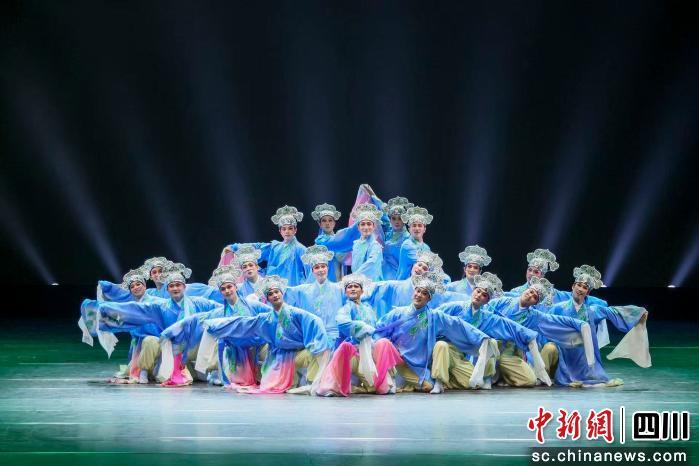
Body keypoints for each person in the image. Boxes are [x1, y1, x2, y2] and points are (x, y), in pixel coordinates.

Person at [196, 275, 332, 394]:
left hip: (296, 352)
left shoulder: (297, 313)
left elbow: (315, 322)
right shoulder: (267, 318)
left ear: (282, 293)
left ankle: (313, 382)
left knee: (317, 352)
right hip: (277, 355)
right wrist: (214, 325)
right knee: (269, 384)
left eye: (277, 292)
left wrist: (316, 343)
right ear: (267, 298)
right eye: (271, 294)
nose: (275, 295)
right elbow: (243, 323)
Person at [97, 264, 222, 384]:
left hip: (191, 346)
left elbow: (220, 310)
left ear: (184, 287)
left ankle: (214, 372)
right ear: (167, 289)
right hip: (171, 347)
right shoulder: (161, 306)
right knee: (150, 341)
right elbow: (137, 309)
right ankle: (145, 372)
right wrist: (106, 309)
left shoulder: (198, 303)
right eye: (171, 286)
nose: (175, 288)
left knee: (216, 336)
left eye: (178, 285)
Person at [374, 273, 495, 392]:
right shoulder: (397, 313)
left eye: (424, 293)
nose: (419, 295)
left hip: (419, 366)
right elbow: (379, 329)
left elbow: (457, 324)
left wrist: (481, 337)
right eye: (418, 291)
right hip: (398, 360)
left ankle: (431, 380)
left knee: (430, 386)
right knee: (382, 343)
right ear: (413, 292)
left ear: (429, 298)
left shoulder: (434, 316)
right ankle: (390, 379)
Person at [435, 272, 551, 390]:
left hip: (470, 355)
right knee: (442, 345)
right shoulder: (456, 307)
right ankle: (439, 381)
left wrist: (529, 336)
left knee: (474, 383)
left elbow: (507, 325)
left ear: (487, 301)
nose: (479, 295)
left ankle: (479, 378)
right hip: (448, 348)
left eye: (484, 295)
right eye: (478, 291)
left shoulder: (485, 317)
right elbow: (434, 317)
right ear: (473, 291)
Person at [158, 265, 268, 387]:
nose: (227, 291)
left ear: (236, 287)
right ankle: (214, 372)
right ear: (220, 292)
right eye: (223, 289)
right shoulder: (220, 312)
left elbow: (272, 315)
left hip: (255, 345)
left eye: (229, 287)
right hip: (233, 348)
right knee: (216, 338)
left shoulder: (253, 305)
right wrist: (171, 330)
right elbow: (196, 319)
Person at [549, 265, 650, 386]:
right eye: (579, 285)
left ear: (588, 292)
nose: (580, 289)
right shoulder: (558, 308)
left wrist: (638, 313)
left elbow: (613, 312)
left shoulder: (593, 310)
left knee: (594, 378)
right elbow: (545, 321)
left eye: (585, 287)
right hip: (565, 352)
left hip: (584, 354)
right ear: (573, 286)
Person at [487, 276, 596, 379]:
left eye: (534, 297)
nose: (530, 295)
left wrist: (581, 324)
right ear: (526, 290)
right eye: (530, 291)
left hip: (511, 353)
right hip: (492, 347)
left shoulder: (534, 316)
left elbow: (557, 320)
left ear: (536, 303)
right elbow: (484, 312)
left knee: (529, 380)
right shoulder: (503, 301)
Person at [313, 273, 404, 396]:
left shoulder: (369, 309)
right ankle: (333, 386)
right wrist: (361, 327)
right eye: (349, 287)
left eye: (356, 286)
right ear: (346, 292)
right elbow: (342, 322)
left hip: (369, 353)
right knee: (345, 347)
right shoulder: (345, 308)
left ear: (362, 291)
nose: (353, 289)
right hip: (353, 354)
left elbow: (375, 329)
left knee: (384, 343)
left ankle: (382, 382)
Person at [78, 267, 166, 383]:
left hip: (157, 340)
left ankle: (145, 371)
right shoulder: (131, 304)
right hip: (138, 343)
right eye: (132, 287)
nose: (135, 287)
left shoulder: (157, 301)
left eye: (138, 284)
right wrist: (105, 287)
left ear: (145, 286)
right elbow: (118, 299)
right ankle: (142, 370)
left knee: (150, 342)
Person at [364, 251, 467, 319]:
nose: (420, 269)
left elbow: (451, 297)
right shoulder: (393, 286)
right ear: (413, 265)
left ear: (428, 274)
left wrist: (470, 301)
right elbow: (374, 288)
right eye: (419, 265)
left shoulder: (432, 294)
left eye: (424, 268)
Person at [223, 206, 308, 286]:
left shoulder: (301, 250)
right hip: (274, 289)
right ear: (280, 231)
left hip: (293, 289)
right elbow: (257, 247)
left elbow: (309, 273)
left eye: (290, 228)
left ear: (295, 230)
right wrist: (234, 247)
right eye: (284, 228)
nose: (287, 231)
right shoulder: (274, 247)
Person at [284, 245, 344, 344]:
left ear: (327, 268)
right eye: (317, 267)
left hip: (335, 335)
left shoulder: (339, 288)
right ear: (312, 271)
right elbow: (283, 292)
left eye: (323, 266)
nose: (320, 270)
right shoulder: (304, 290)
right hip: (314, 336)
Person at [310, 203, 353, 281]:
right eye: (324, 221)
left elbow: (341, 258)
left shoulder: (339, 239)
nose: (327, 223)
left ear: (334, 223)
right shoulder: (319, 242)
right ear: (320, 224)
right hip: (323, 280)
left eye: (330, 220)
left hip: (338, 279)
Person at [396, 206, 433, 280]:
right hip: (404, 282)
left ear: (424, 229)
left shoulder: (426, 247)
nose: (417, 228)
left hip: (420, 282)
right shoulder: (407, 245)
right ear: (409, 229)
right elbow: (426, 264)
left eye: (420, 225)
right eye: (414, 225)